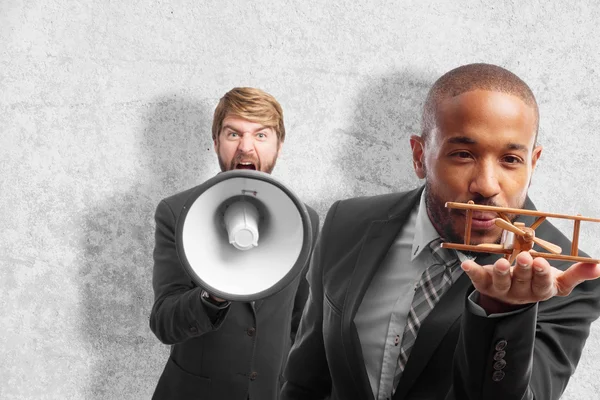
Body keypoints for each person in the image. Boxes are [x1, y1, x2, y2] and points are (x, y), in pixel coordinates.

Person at [280, 63, 600, 400]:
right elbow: (304, 381)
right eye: (463, 155)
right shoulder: (348, 223)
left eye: (510, 159)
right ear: (420, 156)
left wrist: (505, 313)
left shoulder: (563, 278)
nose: (487, 185)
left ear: (532, 163)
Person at [149, 87, 319, 400]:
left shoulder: (305, 220)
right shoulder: (176, 212)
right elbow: (164, 323)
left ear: (279, 145)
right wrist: (210, 296)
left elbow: (304, 326)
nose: (246, 148)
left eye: (261, 135)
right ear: (215, 141)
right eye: (233, 134)